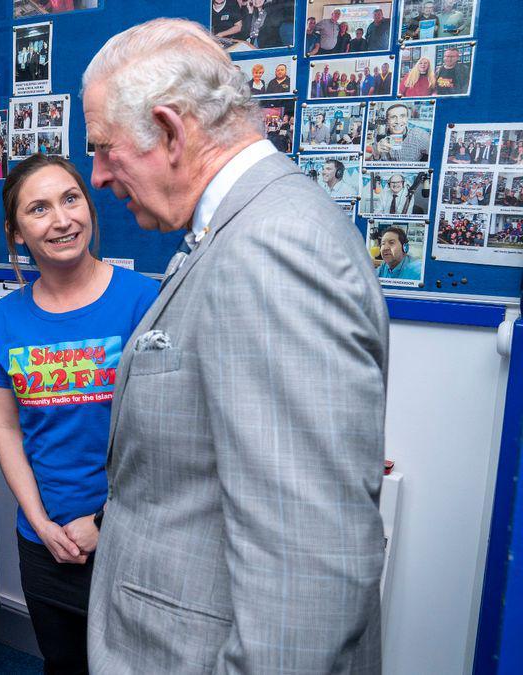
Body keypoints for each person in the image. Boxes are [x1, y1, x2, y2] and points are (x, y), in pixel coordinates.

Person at [81, 18, 386, 673]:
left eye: (105, 148)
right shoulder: (237, 228)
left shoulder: (271, 248)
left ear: (170, 130)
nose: (98, 175)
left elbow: (307, 578)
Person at [0, 154, 158, 675]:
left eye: (70, 199)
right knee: (62, 665)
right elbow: (5, 426)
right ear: (16, 233)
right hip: (46, 543)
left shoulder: (144, 301)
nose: (61, 220)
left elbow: (166, 438)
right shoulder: (6, 319)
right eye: (39, 208)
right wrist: (39, 521)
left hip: (129, 536)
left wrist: (105, 521)